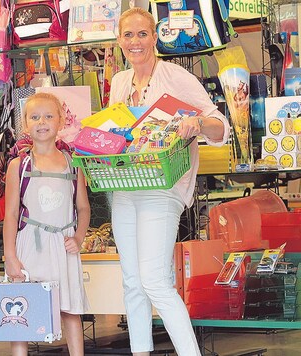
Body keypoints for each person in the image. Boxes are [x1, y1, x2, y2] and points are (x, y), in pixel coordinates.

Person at [108, 8, 230, 356]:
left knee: (155, 282)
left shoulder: (175, 77)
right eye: (128, 35)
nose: (135, 42)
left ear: (155, 38)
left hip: (163, 189)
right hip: (125, 187)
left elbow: (219, 126)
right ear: (119, 41)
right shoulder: (119, 82)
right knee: (132, 282)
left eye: (142, 34)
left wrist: (197, 123)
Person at [3, 92, 91, 356]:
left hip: (63, 248)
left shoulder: (73, 164)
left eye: (49, 116)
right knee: (22, 311)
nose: (42, 122)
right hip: (29, 247)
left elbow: (83, 208)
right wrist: (10, 256)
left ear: (61, 120)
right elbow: (10, 213)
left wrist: (79, 238)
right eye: (35, 117)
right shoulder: (17, 166)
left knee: (70, 309)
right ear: (25, 125)